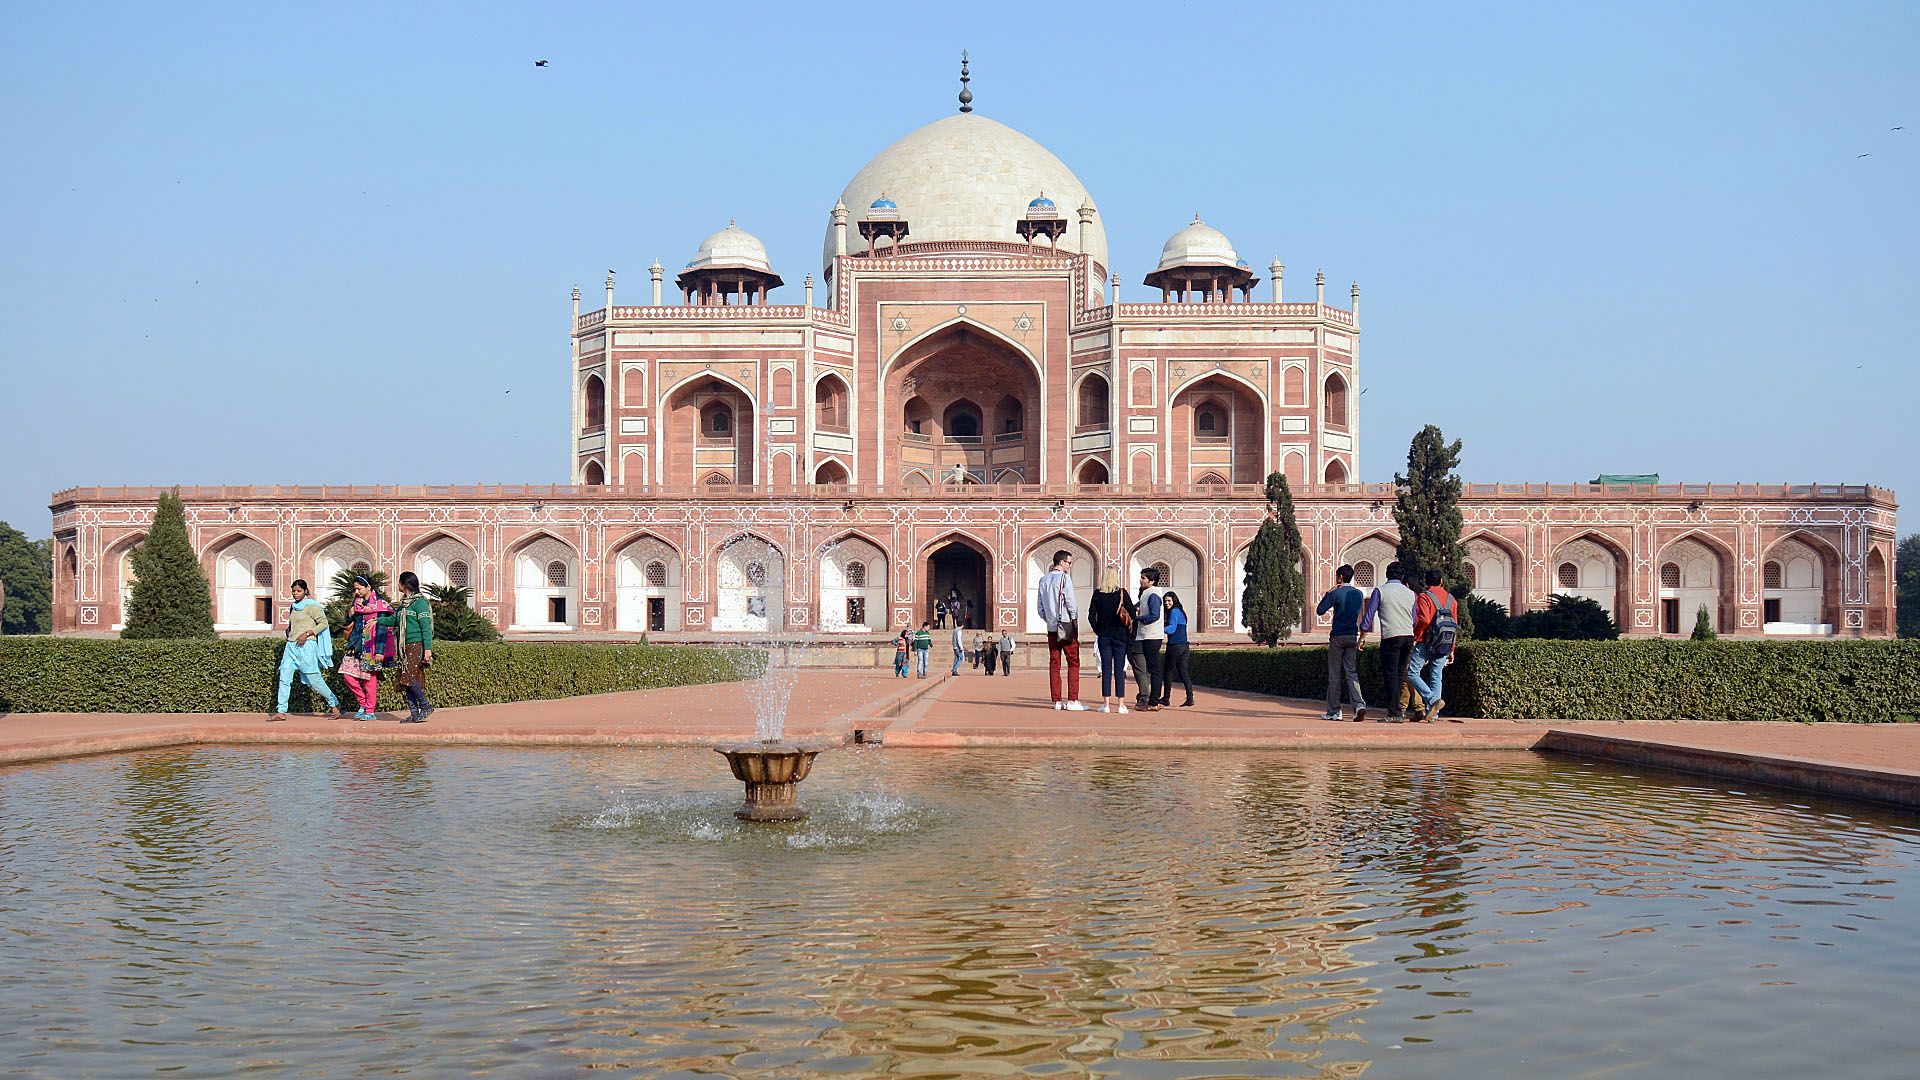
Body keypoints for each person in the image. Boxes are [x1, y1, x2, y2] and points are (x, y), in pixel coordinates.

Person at [271, 579, 341, 721]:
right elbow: (292, 624)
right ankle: (281, 711)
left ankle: (334, 704)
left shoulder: (312, 606)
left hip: (307, 646)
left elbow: (323, 623)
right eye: (293, 591)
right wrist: (290, 632)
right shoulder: (293, 606)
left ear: (305, 591)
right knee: (284, 677)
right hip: (291, 646)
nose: (295, 594)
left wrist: (307, 633)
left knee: (314, 680)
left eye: (299, 591)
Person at [1359, 561, 1418, 723]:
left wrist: (1362, 637)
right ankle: (1397, 710)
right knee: (1399, 674)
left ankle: (1394, 713)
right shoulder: (1411, 593)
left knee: (1390, 675)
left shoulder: (1380, 590)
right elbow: (1415, 619)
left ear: (1387, 575)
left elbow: (1368, 616)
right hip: (1408, 636)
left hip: (1391, 636)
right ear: (1402, 576)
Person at [376, 571, 435, 723]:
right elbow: (394, 621)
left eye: (399, 582)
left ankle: (425, 706)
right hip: (404, 645)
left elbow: (426, 627)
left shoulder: (420, 602)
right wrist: (377, 621)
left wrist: (427, 649)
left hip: (416, 644)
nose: (398, 585)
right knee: (407, 679)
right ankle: (414, 713)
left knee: (407, 677)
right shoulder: (403, 603)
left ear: (405, 584)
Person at [1316, 564, 1369, 722]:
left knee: (1334, 675)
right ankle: (1359, 705)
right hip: (1352, 635)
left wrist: (1328, 594)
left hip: (1338, 636)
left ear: (1340, 577)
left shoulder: (1337, 593)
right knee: (1351, 672)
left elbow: (1320, 610)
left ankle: (1334, 711)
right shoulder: (1358, 594)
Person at [1034, 549, 1085, 710]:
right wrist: (1074, 620)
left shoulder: (1043, 579)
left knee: (1054, 663)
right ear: (1061, 562)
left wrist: (1049, 620)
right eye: (1069, 563)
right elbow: (1070, 602)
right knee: (1073, 662)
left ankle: (1056, 701)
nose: (1070, 566)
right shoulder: (1064, 578)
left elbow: (1040, 608)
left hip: (1052, 627)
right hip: (1066, 625)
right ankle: (1072, 700)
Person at [1407, 568, 1460, 722]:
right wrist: (1452, 648)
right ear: (1441, 581)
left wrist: (1417, 635)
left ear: (1426, 581)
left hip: (1426, 641)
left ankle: (1432, 700)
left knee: (1412, 673)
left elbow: (1423, 620)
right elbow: (1454, 625)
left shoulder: (1424, 596)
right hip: (1445, 642)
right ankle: (1434, 714)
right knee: (1436, 676)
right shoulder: (1451, 599)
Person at [339, 575, 394, 720]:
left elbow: (382, 627)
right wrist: (349, 615)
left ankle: (370, 711)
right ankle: (363, 703)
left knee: (369, 680)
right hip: (355, 645)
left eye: (359, 588)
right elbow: (351, 623)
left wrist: (380, 651)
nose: (357, 592)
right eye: (355, 589)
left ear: (368, 587)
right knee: (347, 674)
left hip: (372, 646)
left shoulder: (381, 605)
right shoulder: (357, 603)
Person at [1086, 568, 1136, 714]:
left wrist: (1098, 630)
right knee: (1119, 670)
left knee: (1106, 670)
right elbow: (1132, 613)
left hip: (1104, 637)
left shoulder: (1097, 594)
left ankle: (1106, 704)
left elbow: (1091, 616)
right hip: (1120, 636)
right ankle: (1121, 704)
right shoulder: (1122, 593)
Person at [1133, 566, 1168, 710]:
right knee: (1146, 668)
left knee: (1154, 669)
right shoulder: (1146, 594)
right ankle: (1147, 698)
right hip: (1144, 635)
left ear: (1152, 581)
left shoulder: (1154, 594)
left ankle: (1154, 701)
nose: (1140, 580)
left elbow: (1155, 615)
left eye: (1143, 578)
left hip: (1152, 636)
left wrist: (1137, 619)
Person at [1160, 591, 1194, 708]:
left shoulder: (1174, 611)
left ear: (1174, 601)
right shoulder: (1181, 612)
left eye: (1169, 601)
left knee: (1168, 672)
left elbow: (1172, 629)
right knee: (1183, 672)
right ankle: (1190, 698)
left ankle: (1166, 699)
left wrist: (1159, 628)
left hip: (1175, 646)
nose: (1166, 603)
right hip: (1184, 646)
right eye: (1165, 601)